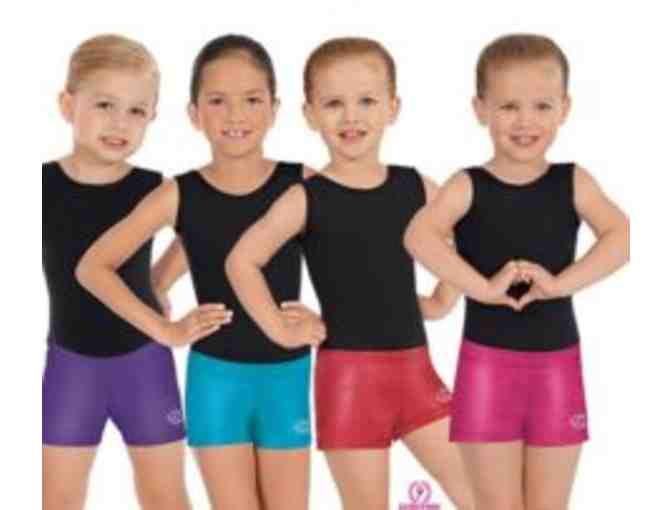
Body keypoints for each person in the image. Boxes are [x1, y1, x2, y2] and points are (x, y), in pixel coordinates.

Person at [76, 34, 324, 510]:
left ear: (274, 108)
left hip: (287, 375)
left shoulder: (303, 183)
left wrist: (325, 321)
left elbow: (357, 261)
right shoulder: (180, 193)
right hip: (216, 381)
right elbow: (94, 267)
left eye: (252, 99)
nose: (235, 115)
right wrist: (164, 328)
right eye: (217, 100)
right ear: (194, 113)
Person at [226, 37, 473, 510]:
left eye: (366, 101)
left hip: (417, 373)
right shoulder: (307, 197)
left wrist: (442, 299)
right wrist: (279, 327)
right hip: (349, 383)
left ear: (393, 107)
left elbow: (466, 234)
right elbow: (242, 261)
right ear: (310, 114)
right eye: (334, 103)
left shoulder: (414, 186)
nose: (350, 116)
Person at [404, 33, 630, 510]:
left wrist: (560, 284)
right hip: (486, 367)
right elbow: (418, 236)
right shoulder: (467, 185)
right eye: (508, 107)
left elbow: (621, 236)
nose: (525, 121)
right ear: (480, 109)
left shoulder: (573, 181)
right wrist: (483, 289)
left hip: (556, 366)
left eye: (542, 106)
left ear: (564, 108)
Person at [43, 34, 194, 510]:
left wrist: (160, 281)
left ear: (152, 117)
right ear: (68, 105)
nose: (120, 123)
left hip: (144, 362)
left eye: (136, 110)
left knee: (166, 497)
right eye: (105, 104)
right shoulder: (39, 185)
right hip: (71, 364)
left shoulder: (153, 188)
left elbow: (206, 228)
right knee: (58, 499)